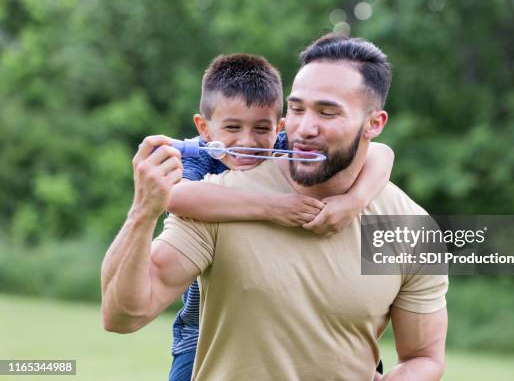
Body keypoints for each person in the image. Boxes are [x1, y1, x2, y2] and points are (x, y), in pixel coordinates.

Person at [102, 33, 448, 381]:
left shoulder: (413, 229)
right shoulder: (219, 200)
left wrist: (352, 202)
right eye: (297, 109)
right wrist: (143, 211)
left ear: (374, 124)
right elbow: (123, 316)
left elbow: (424, 358)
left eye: (327, 112)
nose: (305, 128)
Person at [165, 53, 393, 380]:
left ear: (279, 127)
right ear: (204, 127)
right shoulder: (199, 156)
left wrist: (354, 201)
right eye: (232, 127)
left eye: (261, 128)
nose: (246, 141)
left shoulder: (286, 149)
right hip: (203, 332)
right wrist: (273, 206)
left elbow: (381, 153)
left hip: (287, 324)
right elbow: (177, 197)